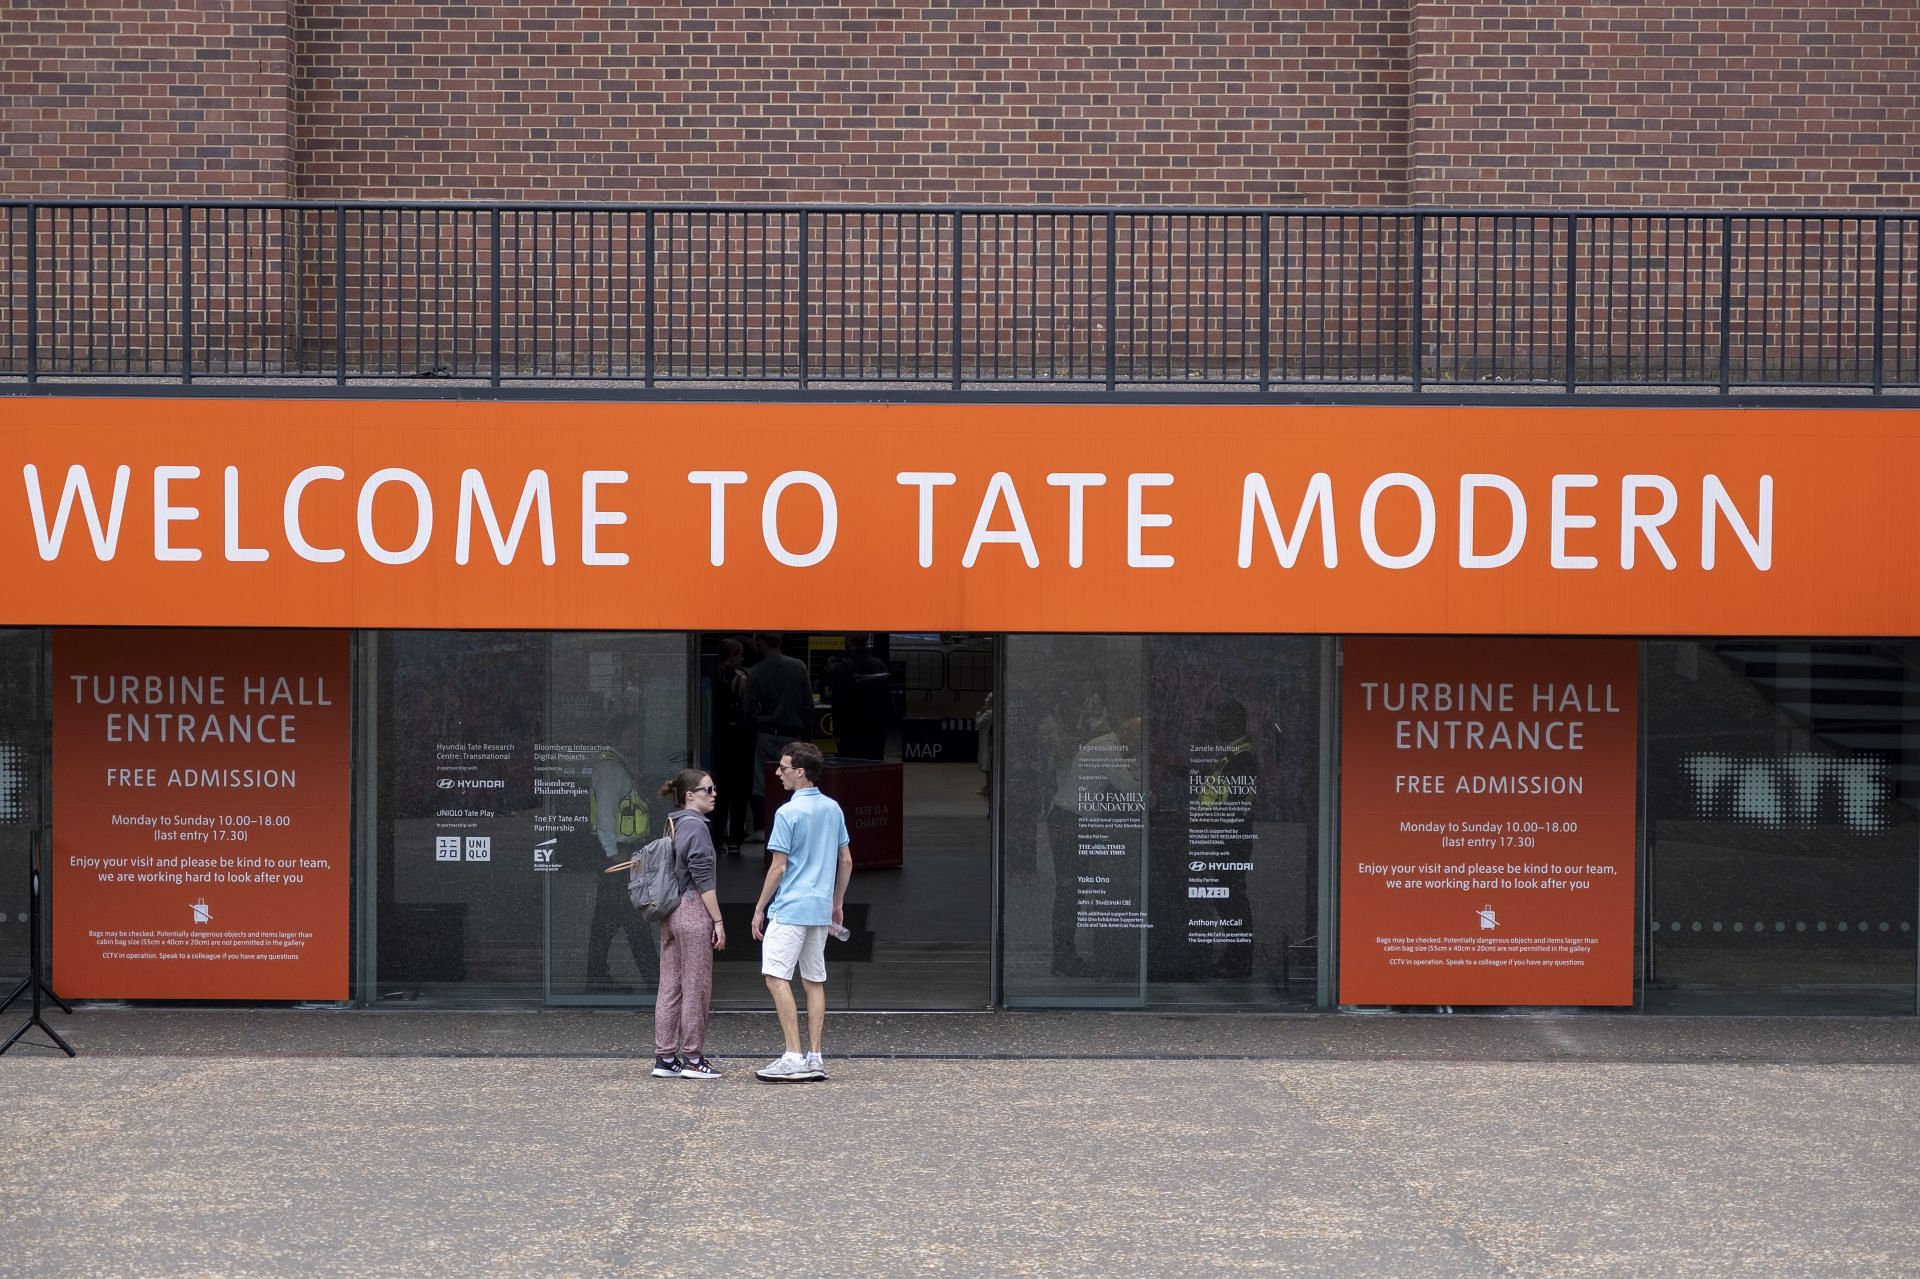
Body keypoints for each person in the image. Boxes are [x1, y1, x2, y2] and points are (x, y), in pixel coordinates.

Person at [750, 741, 852, 1082]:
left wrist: (759, 908)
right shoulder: (833, 808)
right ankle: (815, 1057)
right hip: (820, 909)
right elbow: (846, 860)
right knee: (814, 981)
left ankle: (792, 1055)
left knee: (776, 977)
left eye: (783, 768)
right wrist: (837, 903)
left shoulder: (787, 813)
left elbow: (778, 867)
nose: (778, 773)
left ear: (800, 772)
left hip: (791, 907)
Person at [650, 768, 728, 1080]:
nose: (714, 794)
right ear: (689, 795)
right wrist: (718, 921)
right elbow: (704, 879)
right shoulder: (696, 827)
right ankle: (693, 1058)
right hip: (693, 909)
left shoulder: (674, 823)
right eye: (707, 790)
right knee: (696, 985)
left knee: (670, 984)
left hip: (671, 909)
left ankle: (665, 1057)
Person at [585, 714, 657, 990]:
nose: (636, 740)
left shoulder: (615, 765)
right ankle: (653, 980)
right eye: (630, 735)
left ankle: (597, 977)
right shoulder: (611, 769)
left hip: (620, 851)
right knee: (632, 917)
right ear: (616, 738)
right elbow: (605, 815)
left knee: (608, 918)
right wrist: (612, 852)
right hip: (619, 853)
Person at [744, 633, 814, 827]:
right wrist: (807, 735)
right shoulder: (798, 667)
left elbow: (748, 708)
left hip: (766, 733)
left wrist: (754, 731)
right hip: (793, 735)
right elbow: (808, 705)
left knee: (760, 782)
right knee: (795, 780)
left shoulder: (757, 671)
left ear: (762, 643)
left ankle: (762, 825)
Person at [710, 637, 755, 853]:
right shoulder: (742, 678)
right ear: (732, 655)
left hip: (720, 741)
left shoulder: (713, 676)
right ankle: (736, 837)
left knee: (721, 792)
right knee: (740, 791)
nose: (743, 658)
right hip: (740, 740)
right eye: (739, 654)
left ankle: (717, 837)